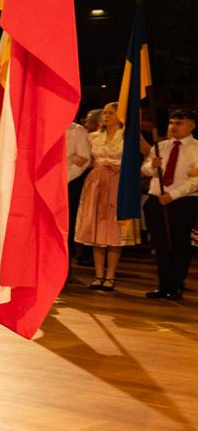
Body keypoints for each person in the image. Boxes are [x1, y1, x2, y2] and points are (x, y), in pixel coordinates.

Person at [74, 103, 140, 292]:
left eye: (110, 113)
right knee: (97, 229)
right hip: (97, 182)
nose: (106, 116)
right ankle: (98, 274)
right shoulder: (94, 136)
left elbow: (143, 154)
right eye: (104, 113)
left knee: (113, 230)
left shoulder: (126, 136)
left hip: (118, 183)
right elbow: (88, 159)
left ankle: (110, 275)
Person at [143, 107, 197, 301]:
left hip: (183, 201)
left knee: (180, 244)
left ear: (191, 126)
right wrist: (152, 166)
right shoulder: (161, 146)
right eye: (171, 123)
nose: (173, 127)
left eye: (179, 123)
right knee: (161, 244)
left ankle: (176, 285)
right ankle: (164, 285)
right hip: (157, 199)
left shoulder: (196, 149)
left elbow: (195, 180)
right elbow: (145, 169)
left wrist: (173, 195)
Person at [66, 116, 93, 268]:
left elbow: (83, 160)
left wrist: (63, 179)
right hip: (44, 184)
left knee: (66, 226)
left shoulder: (77, 130)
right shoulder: (45, 126)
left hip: (69, 184)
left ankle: (63, 267)